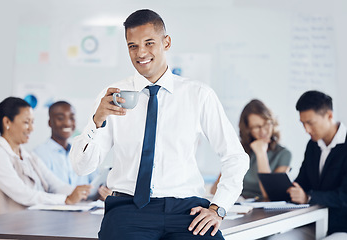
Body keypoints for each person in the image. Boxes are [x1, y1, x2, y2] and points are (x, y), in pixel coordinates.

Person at [70, 9, 249, 240]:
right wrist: (96, 121)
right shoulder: (111, 96)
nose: (140, 52)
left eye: (149, 43)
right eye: (132, 46)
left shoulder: (198, 94)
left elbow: (235, 156)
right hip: (128, 210)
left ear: (166, 42)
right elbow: (82, 168)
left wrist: (219, 208)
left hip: (186, 212)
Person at [0, 97, 91, 216]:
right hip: (5, 231)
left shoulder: (29, 156)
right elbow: (23, 193)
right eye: (26, 122)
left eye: (32, 122)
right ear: (7, 122)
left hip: (30, 226)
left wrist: (84, 192)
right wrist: (65, 200)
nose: (31, 128)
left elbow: (56, 185)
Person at [287, 90, 347, 238]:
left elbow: (344, 196)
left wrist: (308, 198)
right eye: (303, 124)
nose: (306, 130)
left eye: (310, 123)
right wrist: (289, 188)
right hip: (313, 222)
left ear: (329, 116)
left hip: (341, 226)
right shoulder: (313, 145)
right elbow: (303, 181)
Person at [211, 99, 292, 200]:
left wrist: (261, 153)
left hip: (265, 208)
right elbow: (215, 189)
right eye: (257, 127)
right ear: (247, 130)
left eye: (267, 124)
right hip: (239, 204)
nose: (263, 131)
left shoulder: (283, 154)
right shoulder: (240, 150)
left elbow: (270, 195)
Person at [34, 101, 111, 200]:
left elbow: (95, 183)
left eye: (72, 117)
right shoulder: (39, 155)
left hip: (85, 210)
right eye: (60, 118)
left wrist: (102, 192)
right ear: (50, 122)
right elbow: (44, 191)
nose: (67, 122)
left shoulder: (82, 150)